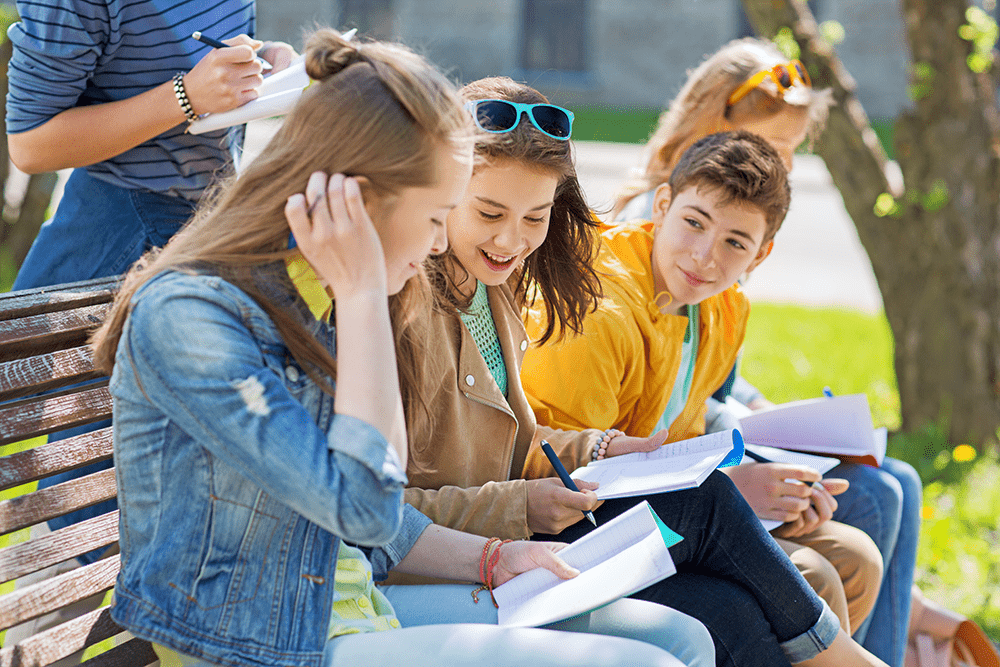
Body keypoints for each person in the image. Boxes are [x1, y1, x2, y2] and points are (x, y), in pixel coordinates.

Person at [87, 29, 694, 667]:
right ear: (361, 197)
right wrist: (361, 295)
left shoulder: (321, 292)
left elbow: (368, 518)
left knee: (677, 639)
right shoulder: (196, 319)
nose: (439, 244)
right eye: (437, 215)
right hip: (256, 641)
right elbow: (369, 505)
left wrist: (494, 556)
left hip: (350, 612)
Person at [389, 76, 886, 667]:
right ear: (442, 191)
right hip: (458, 559)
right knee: (710, 513)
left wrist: (601, 448)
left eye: (535, 217)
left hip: (514, 531)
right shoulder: (407, 307)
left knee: (730, 604)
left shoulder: (491, 287)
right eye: (490, 212)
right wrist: (523, 504)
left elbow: (508, 444)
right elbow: (382, 513)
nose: (511, 239)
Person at [613, 38, 921, 666]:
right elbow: (621, 438)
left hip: (690, 459)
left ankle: (890, 640)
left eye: (788, 152)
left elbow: (706, 389)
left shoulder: (721, 272)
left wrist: (775, 419)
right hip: (653, 487)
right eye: (767, 148)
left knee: (895, 483)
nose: (775, 166)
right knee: (873, 496)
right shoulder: (659, 247)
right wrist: (746, 456)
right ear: (712, 131)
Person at [4, 0, 298, 562]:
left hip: (200, 228)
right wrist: (185, 96)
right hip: (122, 237)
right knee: (99, 507)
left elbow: (178, 52)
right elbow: (31, 142)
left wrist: (257, 67)